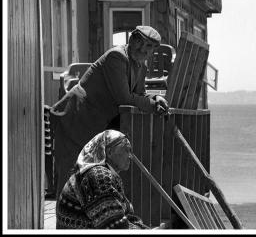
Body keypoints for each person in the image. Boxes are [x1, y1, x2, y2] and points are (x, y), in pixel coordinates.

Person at [50, 26, 169, 198]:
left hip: (95, 125)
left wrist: (156, 98)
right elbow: (125, 98)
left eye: (149, 46)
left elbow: (140, 94)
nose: (142, 49)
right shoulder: (117, 57)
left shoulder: (141, 65)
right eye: (139, 42)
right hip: (76, 119)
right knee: (68, 182)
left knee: (87, 182)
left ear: (153, 51)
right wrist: (151, 105)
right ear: (131, 40)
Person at [56, 130, 149, 229]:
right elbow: (114, 225)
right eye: (126, 150)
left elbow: (125, 215)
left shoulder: (109, 175)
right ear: (109, 152)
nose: (130, 156)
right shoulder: (98, 176)